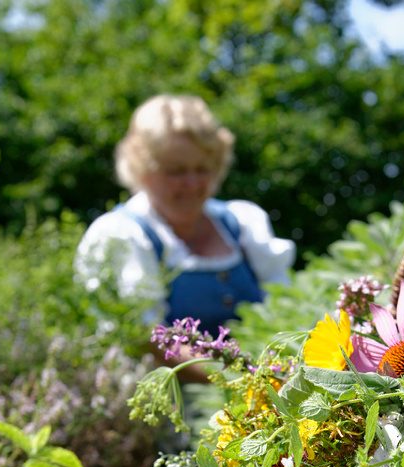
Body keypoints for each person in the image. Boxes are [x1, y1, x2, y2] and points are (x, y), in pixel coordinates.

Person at [74, 95, 295, 376]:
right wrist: (238, 378)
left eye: (202, 169)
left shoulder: (242, 222)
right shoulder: (121, 235)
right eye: (176, 171)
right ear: (143, 170)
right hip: (171, 408)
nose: (192, 183)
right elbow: (145, 338)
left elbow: (284, 305)